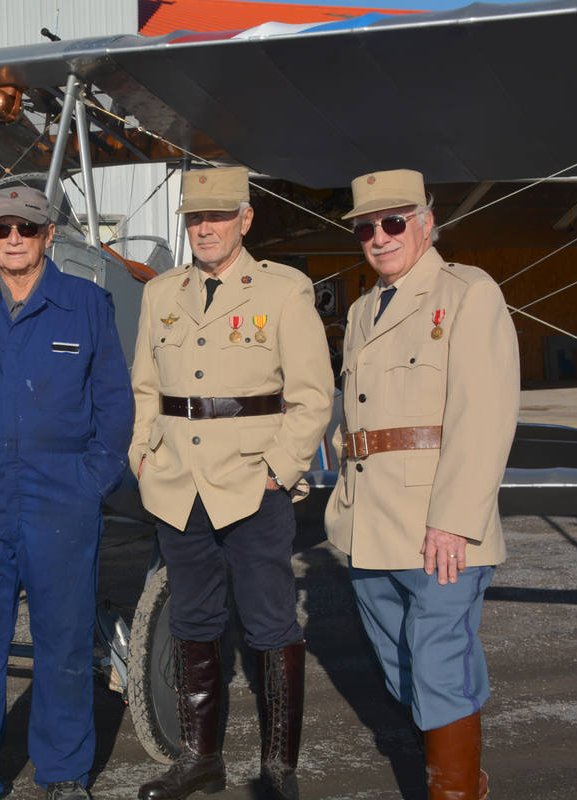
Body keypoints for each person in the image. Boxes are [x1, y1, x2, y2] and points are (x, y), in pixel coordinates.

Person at [0, 186, 134, 800]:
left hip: (60, 498)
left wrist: (92, 481)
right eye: (3, 229)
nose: (14, 239)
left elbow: (115, 405)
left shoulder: (87, 305)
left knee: (64, 642)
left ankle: (63, 772)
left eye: (27, 228)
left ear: (47, 236)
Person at [129, 167, 334, 800]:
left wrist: (280, 469)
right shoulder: (161, 293)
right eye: (195, 218)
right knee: (194, 618)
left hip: (252, 483)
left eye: (218, 216)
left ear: (245, 220)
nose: (205, 228)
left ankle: (279, 768)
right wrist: (141, 453)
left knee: (271, 623)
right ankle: (200, 761)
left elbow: (311, 396)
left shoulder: (283, 290)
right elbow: (145, 387)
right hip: (176, 483)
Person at [325, 169, 519, 800]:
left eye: (394, 221)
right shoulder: (359, 311)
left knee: (438, 660)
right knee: (399, 667)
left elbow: (483, 413)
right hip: (368, 522)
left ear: (427, 222)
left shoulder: (467, 291)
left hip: (439, 523)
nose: (379, 237)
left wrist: (455, 518)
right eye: (365, 227)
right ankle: (464, 771)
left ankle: (456, 790)